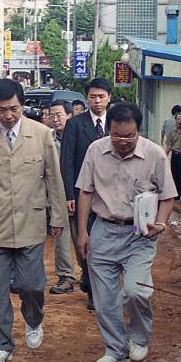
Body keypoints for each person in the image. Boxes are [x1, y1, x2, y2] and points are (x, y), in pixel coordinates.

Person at [0, 78, 67, 362]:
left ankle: (33, 320)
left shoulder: (41, 135)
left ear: (22, 105)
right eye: (2, 110)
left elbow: (53, 179)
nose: (8, 115)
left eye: (14, 109)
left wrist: (57, 217)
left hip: (31, 225)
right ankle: (3, 343)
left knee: (32, 285)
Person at [75, 102, 177, 362]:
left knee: (135, 291)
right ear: (109, 129)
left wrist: (161, 224)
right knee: (105, 299)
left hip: (139, 234)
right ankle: (115, 349)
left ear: (139, 132)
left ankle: (139, 339)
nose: (122, 141)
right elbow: (85, 191)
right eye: (117, 135)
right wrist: (82, 232)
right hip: (104, 230)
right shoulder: (95, 151)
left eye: (129, 136)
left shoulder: (155, 154)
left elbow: (168, 197)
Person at [60, 77, 113, 312]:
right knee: (85, 240)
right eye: (93, 96)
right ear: (87, 98)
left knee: (108, 243)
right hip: (84, 194)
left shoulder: (116, 123)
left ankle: (99, 283)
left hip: (112, 195)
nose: (97, 101)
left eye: (101, 96)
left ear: (109, 98)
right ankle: (91, 286)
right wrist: (69, 194)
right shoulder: (75, 125)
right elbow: (67, 161)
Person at [46, 99, 78, 294]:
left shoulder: (78, 137)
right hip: (56, 198)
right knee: (61, 238)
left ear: (69, 115)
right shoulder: (48, 139)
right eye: (52, 115)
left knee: (83, 237)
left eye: (59, 114)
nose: (55, 119)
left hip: (77, 195)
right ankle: (66, 277)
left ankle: (89, 277)